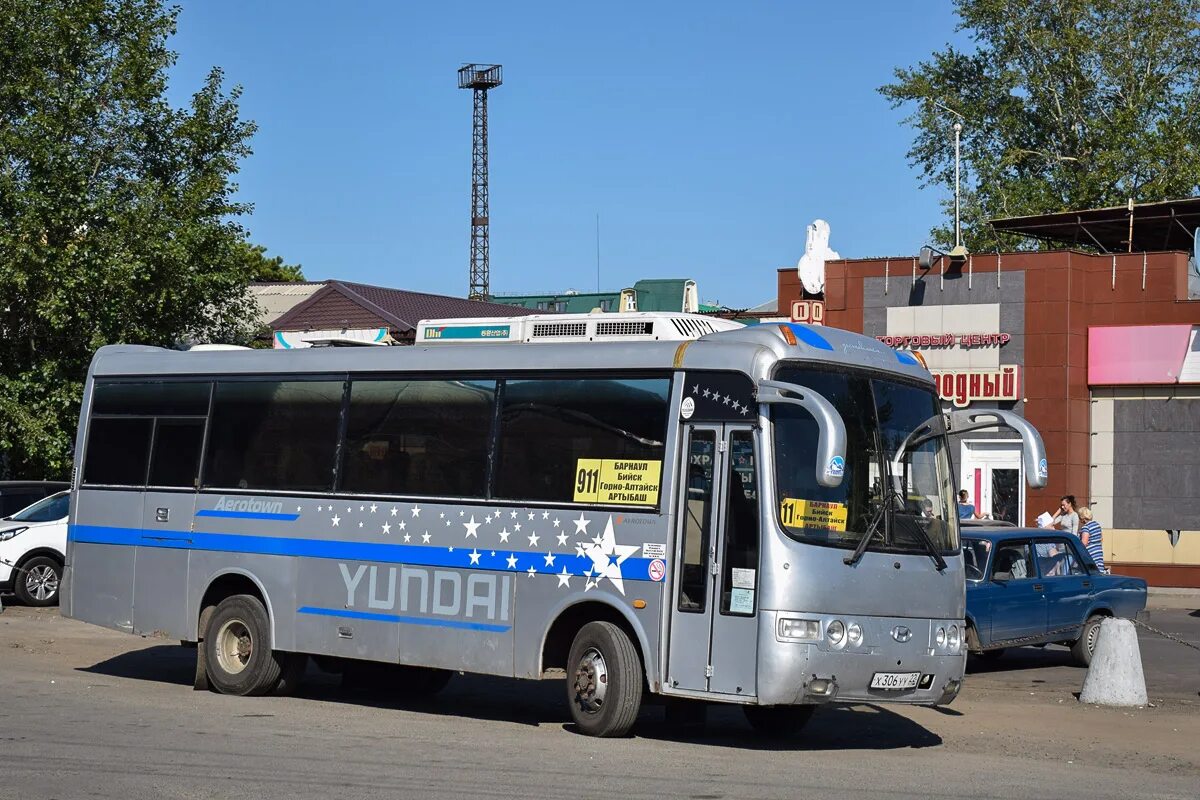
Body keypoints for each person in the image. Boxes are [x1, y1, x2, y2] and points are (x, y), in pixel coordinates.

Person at [1079, 506, 1106, 573]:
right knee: (1099, 573)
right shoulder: (1097, 525)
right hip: (1098, 554)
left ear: (1082, 518)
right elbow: (1101, 538)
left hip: (1090, 556)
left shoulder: (1086, 527)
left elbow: (1084, 544)